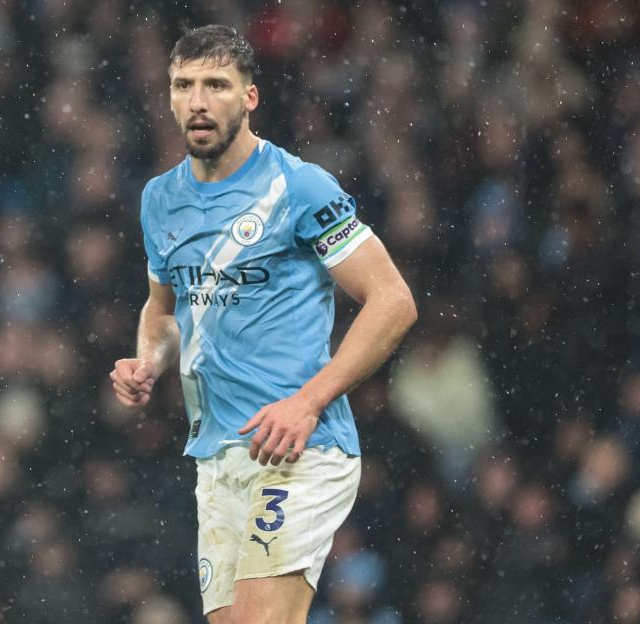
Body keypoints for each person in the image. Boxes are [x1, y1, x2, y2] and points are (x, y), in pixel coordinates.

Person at [110, 25, 417, 624]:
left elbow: (393, 301)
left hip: (297, 448)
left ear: (249, 97)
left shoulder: (298, 186)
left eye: (216, 85)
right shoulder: (159, 199)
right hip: (217, 455)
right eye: (184, 85)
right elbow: (165, 311)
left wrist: (307, 402)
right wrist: (149, 360)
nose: (198, 101)